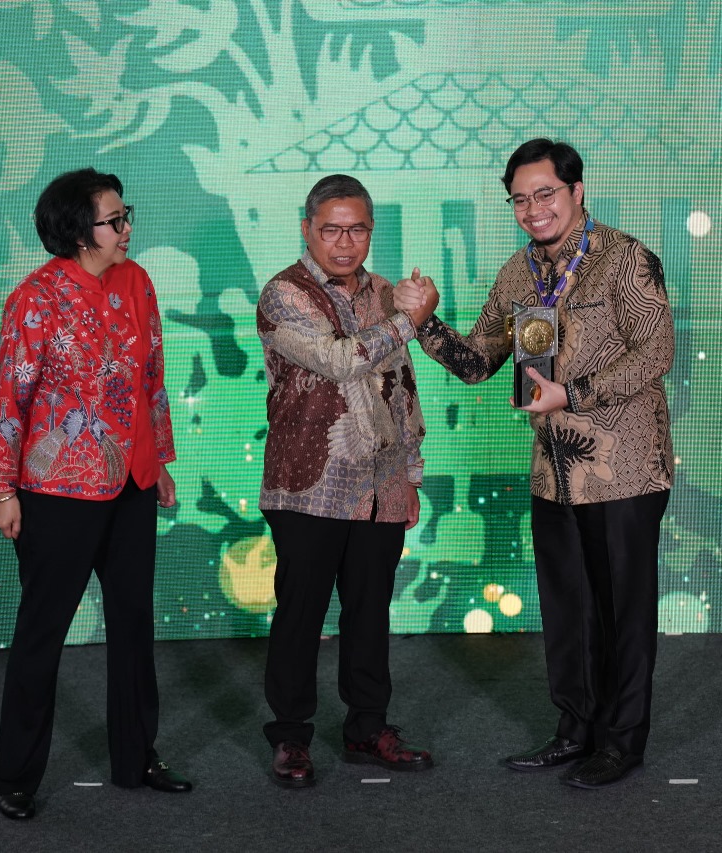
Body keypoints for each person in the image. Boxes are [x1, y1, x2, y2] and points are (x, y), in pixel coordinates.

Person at [395, 138, 674, 789]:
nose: (532, 209)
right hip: (554, 473)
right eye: (519, 200)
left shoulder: (625, 258)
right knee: (569, 610)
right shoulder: (518, 274)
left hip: (626, 469)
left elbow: (655, 352)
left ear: (577, 192)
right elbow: (477, 363)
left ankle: (621, 743)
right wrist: (425, 322)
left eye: (544, 194)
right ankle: (575, 731)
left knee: (622, 613)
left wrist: (570, 394)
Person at [0, 168, 192, 820]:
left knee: (133, 624)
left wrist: (159, 460)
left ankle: (137, 757)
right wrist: (1, 488)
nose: (127, 228)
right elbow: (12, 397)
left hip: (132, 482)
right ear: (79, 230)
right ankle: (16, 776)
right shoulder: (35, 298)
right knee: (42, 632)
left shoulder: (138, 281)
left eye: (127, 216)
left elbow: (152, 377)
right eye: (114, 220)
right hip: (57, 491)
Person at [256, 174, 436, 788]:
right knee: (300, 613)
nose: (344, 242)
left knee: (370, 611)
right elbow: (338, 360)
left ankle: (367, 727)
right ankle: (291, 735)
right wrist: (409, 321)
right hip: (309, 484)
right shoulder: (284, 292)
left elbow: (401, 385)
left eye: (357, 229)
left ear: (371, 231)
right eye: (331, 229)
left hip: (381, 482)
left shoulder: (385, 292)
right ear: (306, 228)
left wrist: (410, 475)